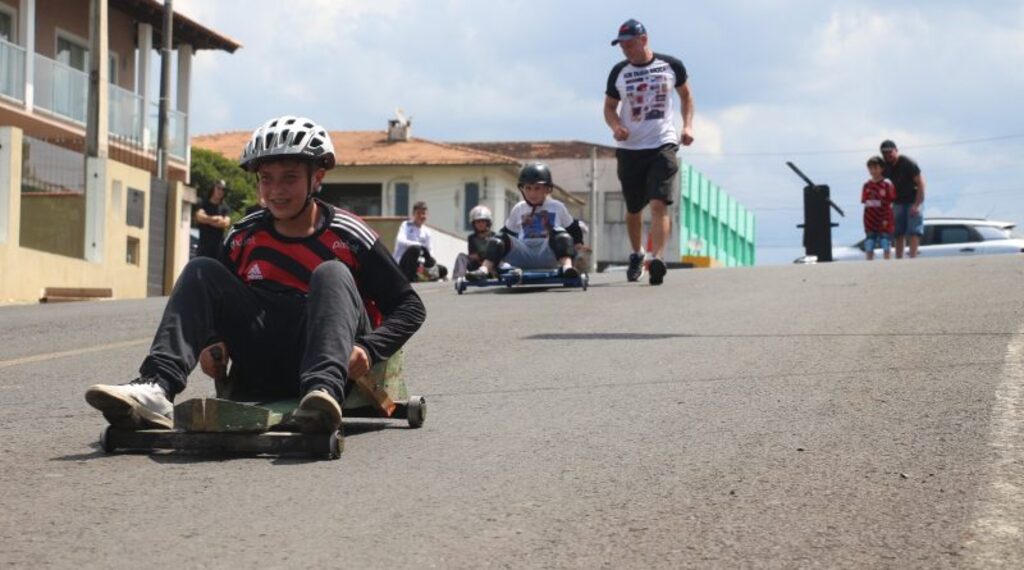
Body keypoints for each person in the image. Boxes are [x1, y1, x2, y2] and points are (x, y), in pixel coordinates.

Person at [84, 115, 426, 436]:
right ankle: (157, 387)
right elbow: (214, 307)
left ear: (317, 177)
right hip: (263, 362)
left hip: (331, 362)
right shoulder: (243, 236)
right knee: (201, 269)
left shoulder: (349, 233)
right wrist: (212, 342)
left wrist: (368, 347)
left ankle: (322, 396)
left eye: (289, 177)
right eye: (266, 179)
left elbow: (410, 307)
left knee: (331, 272)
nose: (276, 190)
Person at [604, 18, 694, 285]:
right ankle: (636, 253)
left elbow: (686, 96)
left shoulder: (670, 65)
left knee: (658, 202)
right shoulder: (618, 72)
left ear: (644, 40)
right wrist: (616, 125)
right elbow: (609, 107)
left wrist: (688, 126)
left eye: (629, 44)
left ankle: (657, 258)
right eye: (621, 46)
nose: (625, 50)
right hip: (630, 148)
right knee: (634, 208)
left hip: (662, 144)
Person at [465, 162, 582, 282]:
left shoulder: (557, 206)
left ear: (547, 188)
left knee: (560, 233)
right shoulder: (519, 208)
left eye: (537, 188)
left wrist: (578, 243)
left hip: (548, 253)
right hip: (524, 253)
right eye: (528, 188)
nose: (532, 193)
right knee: (499, 238)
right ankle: (484, 270)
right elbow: (505, 233)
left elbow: (573, 228)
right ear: (522, 189)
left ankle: (567, 267)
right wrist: (497, 255)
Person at [880, 140, 926, 259]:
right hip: (898, 202)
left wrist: (916, 205)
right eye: (884, 153)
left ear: (896, 150)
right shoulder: (885, 166)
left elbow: (921, 183)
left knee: (913, 231)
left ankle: (913, 257)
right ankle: (899, 259)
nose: (888, 155)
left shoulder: (907, 162)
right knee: (898, 232)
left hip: (913, 200)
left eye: (890, 152)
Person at [394, 201, 447, 282]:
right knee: (415, 249)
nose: (422, 216)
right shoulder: (406, 225)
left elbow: (429, 251)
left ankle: (421, 275)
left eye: (424, 213)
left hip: (418, 264)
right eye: (419, 213)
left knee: (442, 269)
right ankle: (411, 279)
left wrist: (430, 262)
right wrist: (419, 246)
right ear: (413, 214)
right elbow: (400, 240)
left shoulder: (427, 232)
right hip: (402, 264)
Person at [861, 156, 896, 261]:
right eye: (870, 168)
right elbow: (865, 201)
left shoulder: (887, 184)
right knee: (869, 241)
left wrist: (888, 215)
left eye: (875, 168)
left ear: (881, 168)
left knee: (885, 240)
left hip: (884, 218)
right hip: (870, 218)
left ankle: (887, 261)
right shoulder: (866, 185)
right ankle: (869, 261)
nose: (873, 171)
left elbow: (891, 200)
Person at [452, 205, 495, 278]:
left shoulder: (495, 237)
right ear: (474, 224)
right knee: (461, 256)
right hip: (476, 266)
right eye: (477, 222)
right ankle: (458, 278)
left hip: (491, 267)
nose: (480, 224)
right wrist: (481, 256)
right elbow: (473, 256)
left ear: (487, 222)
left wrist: (482, 256)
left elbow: (495, 255)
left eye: (482, 221)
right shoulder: (471, 238)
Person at [194, 179, 232, 258]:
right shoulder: (203, 203)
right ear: (213, 188)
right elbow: (199, 217)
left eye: (223, 189)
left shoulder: (225, 207)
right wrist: (215, 219)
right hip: (203, 249)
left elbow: (225, 223)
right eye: (218, 188)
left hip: (218, 251)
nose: (220, 191)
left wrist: (207, 219)